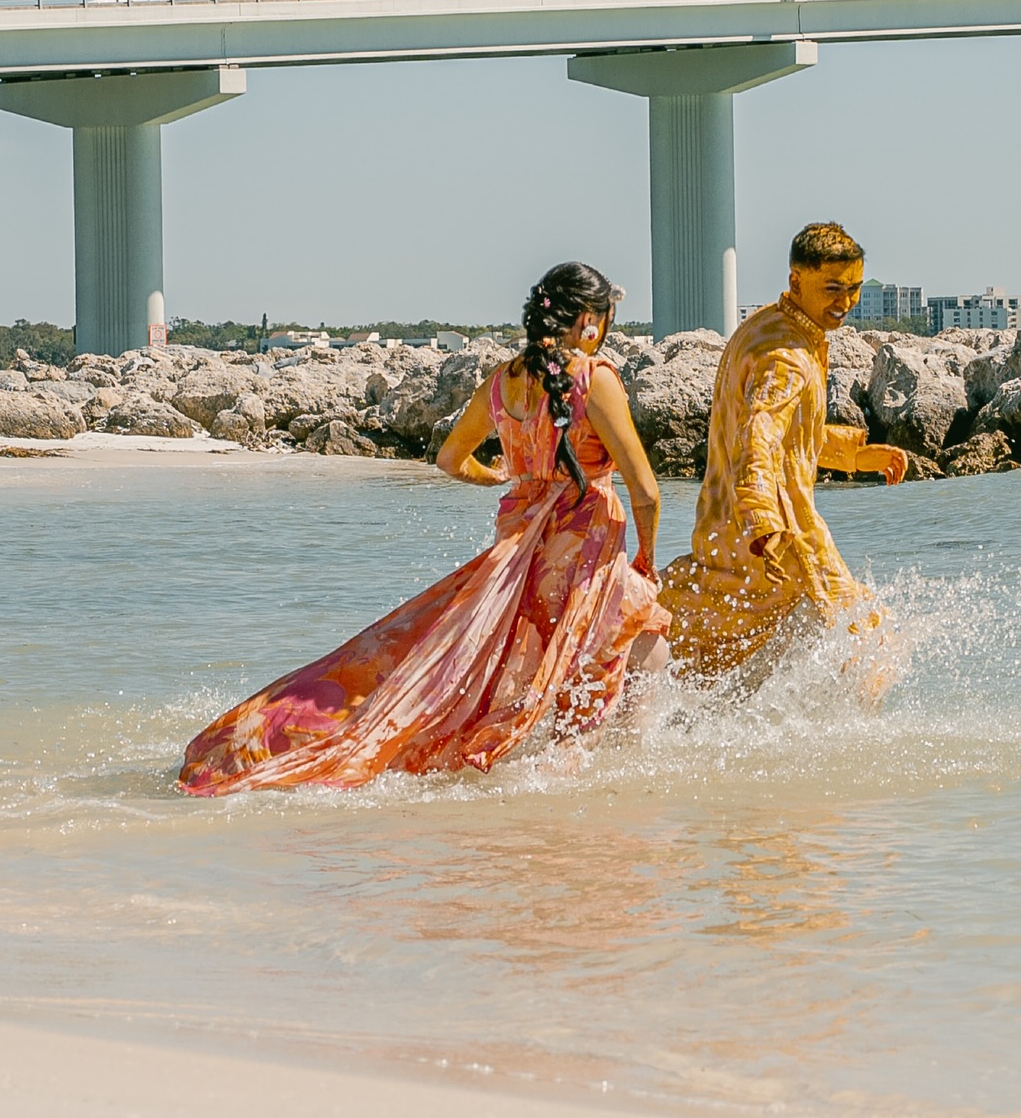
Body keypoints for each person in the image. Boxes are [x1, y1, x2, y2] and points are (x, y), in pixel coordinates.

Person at [178, 263, 668, 795]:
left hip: (520, 553)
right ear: (589, 321)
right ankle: (605, 790)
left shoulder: (501, 384)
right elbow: (645, 489)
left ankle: (563, 780)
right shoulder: (593, 379)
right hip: (583, 547)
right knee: (625, 651)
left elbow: (451, 459)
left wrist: (505, 476)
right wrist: (647, 556)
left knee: (587, 653)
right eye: (606, 322)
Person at [657, 221, 906, 678]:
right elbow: (759, 440)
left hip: (723, 525)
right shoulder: (787, 356)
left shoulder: (768, 328)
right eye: (833, 288)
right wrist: (763, 521)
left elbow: (786, 435)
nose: (846, 303)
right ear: (797, 280)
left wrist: (852, 456)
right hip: (779, 531)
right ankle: (847, 744)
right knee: (873, 641)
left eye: (852, 288)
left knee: (711, 645)